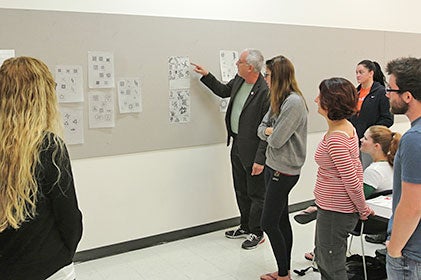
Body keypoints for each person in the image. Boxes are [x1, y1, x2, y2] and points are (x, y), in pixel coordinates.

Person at [0, 57, 83, 280]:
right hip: (49, 267)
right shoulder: (49, 147)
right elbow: (69, 219)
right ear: (42, 96)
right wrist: (63, 256)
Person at [192, 49, 269, 249]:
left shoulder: (265, 91)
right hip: (237, 145)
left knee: (256, 193)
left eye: (240, 62)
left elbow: (268, 129)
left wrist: (260, 159)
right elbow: (224, 91)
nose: (236, 64)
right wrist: (207, 76)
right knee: (240, 189)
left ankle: (257, 232)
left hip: (254, 150)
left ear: (250, 67)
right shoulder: (240, 80)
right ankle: (244, 226)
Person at [299, 124, 401, 260]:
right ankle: (316, 209)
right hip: (386, 219)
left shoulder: (374, 171)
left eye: (365, 138)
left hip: (368, 221)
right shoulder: (393, 166)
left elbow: (356, 197)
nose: (360, 140)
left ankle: (320, 251)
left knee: (328, 211)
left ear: (376, 146)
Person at [313, 77, 374, 279]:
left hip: (336, 211)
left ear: (331, 103)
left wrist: (362, 209)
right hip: (331, 207)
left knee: (331, 265)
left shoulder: (337, 138)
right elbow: (352, 169)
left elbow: (352, 180)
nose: (315, 100)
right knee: (326, 259)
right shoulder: (345, 127)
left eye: (320, 97)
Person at [257, 55, 308, 280]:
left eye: (267, 75)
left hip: (285, 170)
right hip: (272, 165)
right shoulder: (278, 98)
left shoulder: (294, 102)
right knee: (280, 219)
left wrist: (270, 131)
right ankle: (283, 271)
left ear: (276, 76)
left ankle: (283, 273)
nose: (264, 79)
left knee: (267, 222)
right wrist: (270, 131)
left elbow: (276, 140)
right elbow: (261, 129)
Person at [384, 57, 421, 279]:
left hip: (411, 253)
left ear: (408, 96)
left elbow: (412, 207)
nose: (387, 94)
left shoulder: (414, 139)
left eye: (391, 89)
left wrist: (395, 249)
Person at [350, 60, 394, 169]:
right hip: (354, 142)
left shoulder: (381, 92)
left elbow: (387, 119)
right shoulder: (355, 93)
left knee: (368, 173)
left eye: (361, 72)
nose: (358, 75)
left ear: (371, 73)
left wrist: (371, 132)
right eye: (356, 72)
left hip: (371, 142)